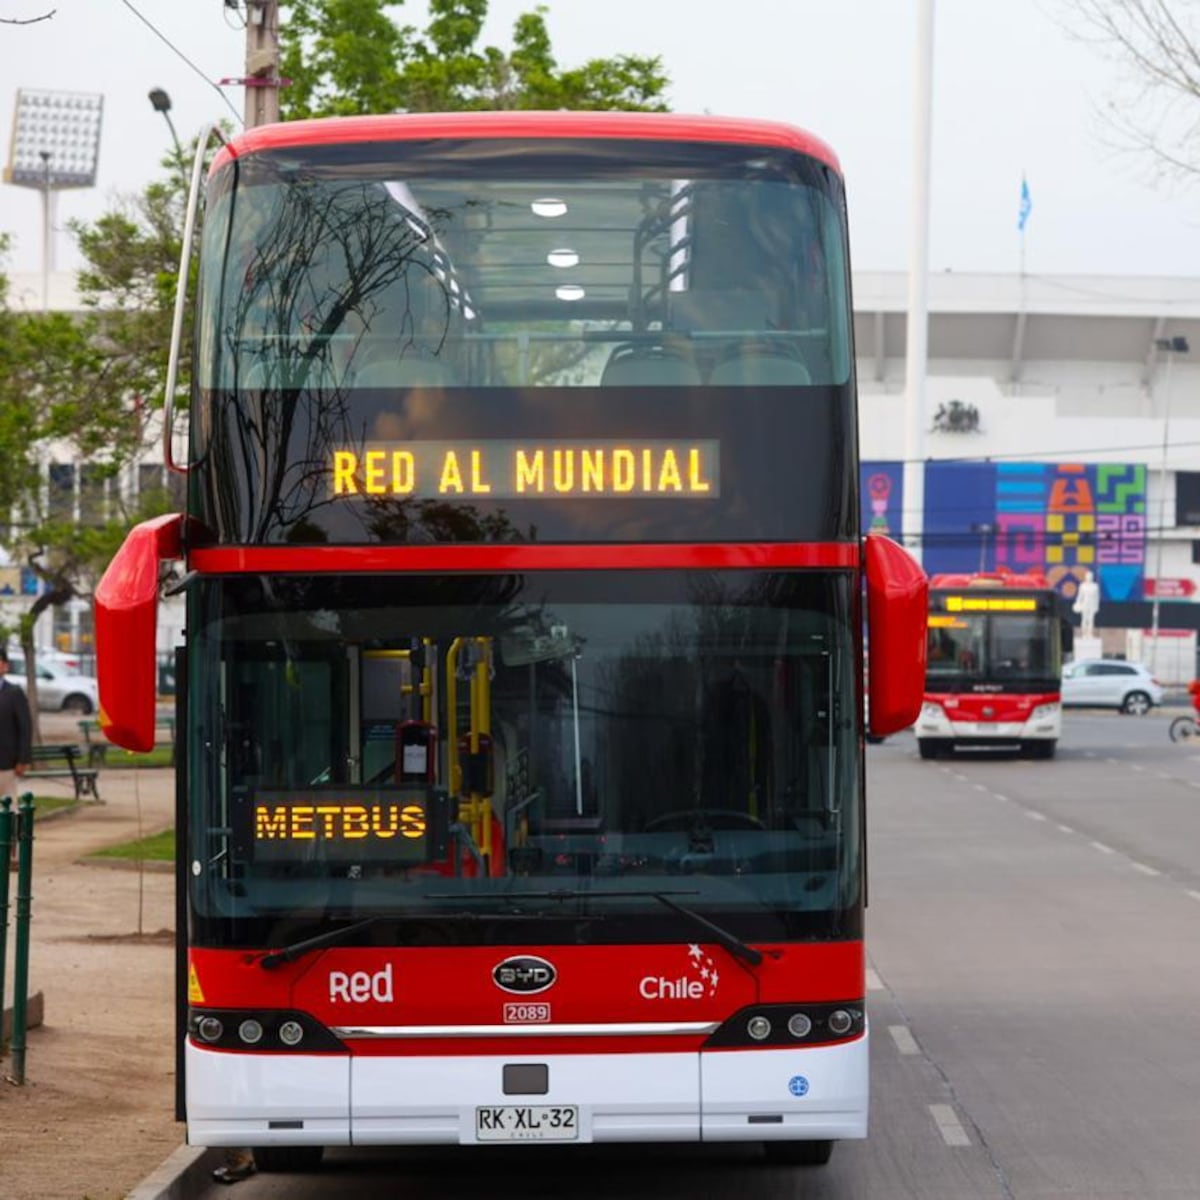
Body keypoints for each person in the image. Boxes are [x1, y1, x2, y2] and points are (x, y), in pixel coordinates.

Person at [0, 646, 33, 802]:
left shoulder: (14, 693)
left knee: (8, 810)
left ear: (5, 666)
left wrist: (23, 759)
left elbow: (25, 728)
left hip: (6, 764)